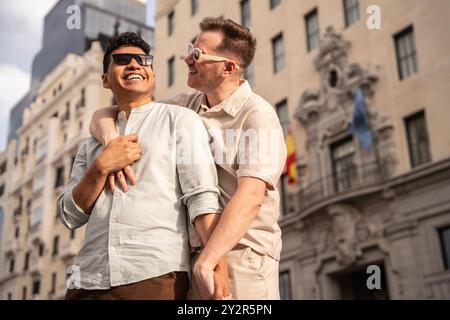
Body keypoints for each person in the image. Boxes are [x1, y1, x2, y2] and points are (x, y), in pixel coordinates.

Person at [90, 17, 287, 299]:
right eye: (189, 48)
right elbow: (115, 113)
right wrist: (112, 142)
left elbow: (251, 196)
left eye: (196, 54)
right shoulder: (186, 104)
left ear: (227, 68)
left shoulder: (258, 116)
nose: (186, 58)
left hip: (242, 259)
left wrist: (210, 261)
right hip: (192, 259)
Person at [57, 32, 231, 300]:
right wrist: (100, 167)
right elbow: (69, 215)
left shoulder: (179, 120)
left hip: (153, 277)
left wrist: (218, 266)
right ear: (104, 79)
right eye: (122, 60)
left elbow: (202, 197)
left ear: (152, 74)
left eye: (143, 60)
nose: (134, 65)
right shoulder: (90, 146)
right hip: (85, 281)